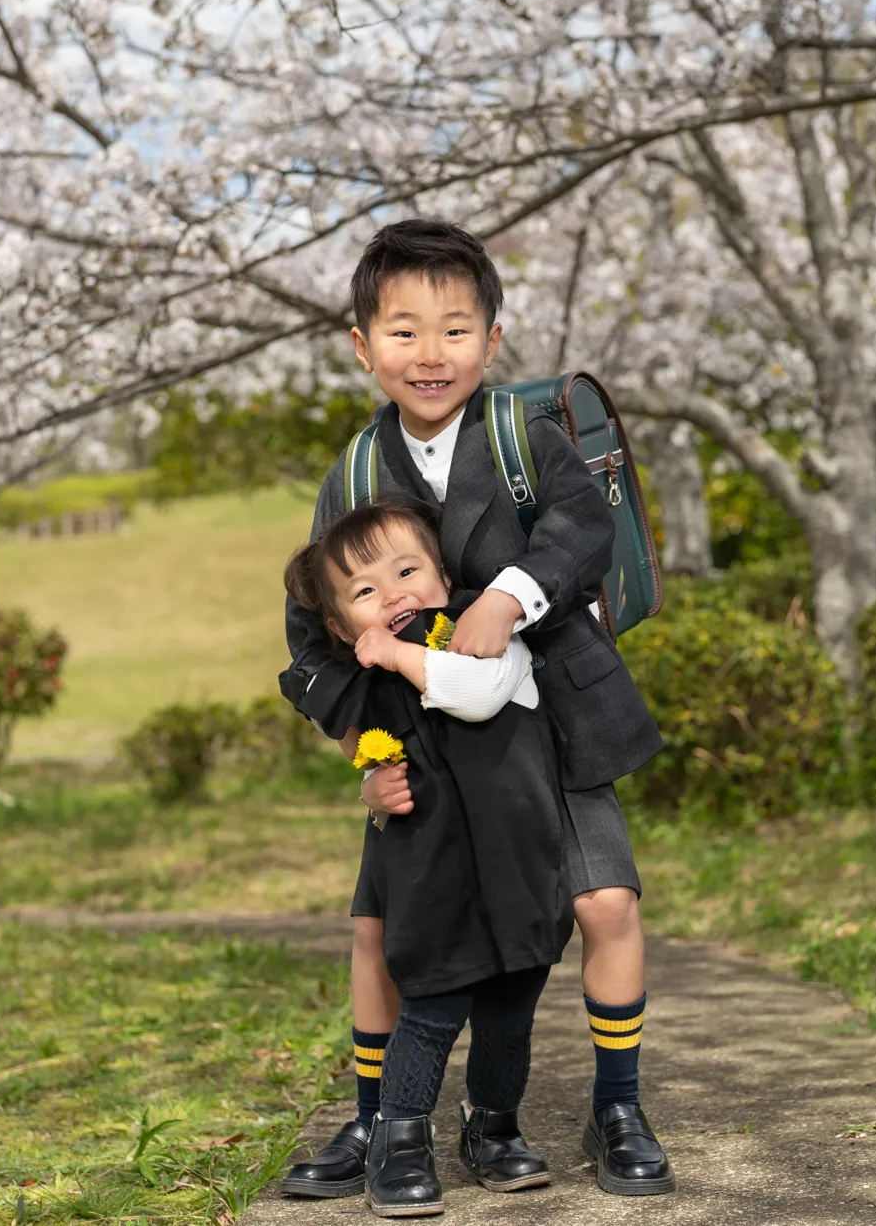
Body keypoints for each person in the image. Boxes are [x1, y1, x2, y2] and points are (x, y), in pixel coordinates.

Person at [278, 220, 674, 1201]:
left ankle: (616, 1107)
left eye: (454, 329)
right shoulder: (355, 476)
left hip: (548, 723)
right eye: (402, 332)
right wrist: (358, 741)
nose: (430, 353)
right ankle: (376, 1121)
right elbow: (310, 630)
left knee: (604, 903)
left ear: (491, 342)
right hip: (417, 740)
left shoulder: (520, 434)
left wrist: (508, 596)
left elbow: (582, 528)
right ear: (362, 346)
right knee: (379, 932)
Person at [284, 500, 571, 1217]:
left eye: (408, 570)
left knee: (510, 1012)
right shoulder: (368, 690)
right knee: (432, 1006)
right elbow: (372, 762)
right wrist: (370, 786)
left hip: (518, 870)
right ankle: (400, 1137)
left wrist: (399, 652)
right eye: (366, 592)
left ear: (444, 575)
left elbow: (474, 698)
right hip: (432, 878)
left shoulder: (488, 638)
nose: (395, 594)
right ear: (341, 627)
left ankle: (494, 1125)